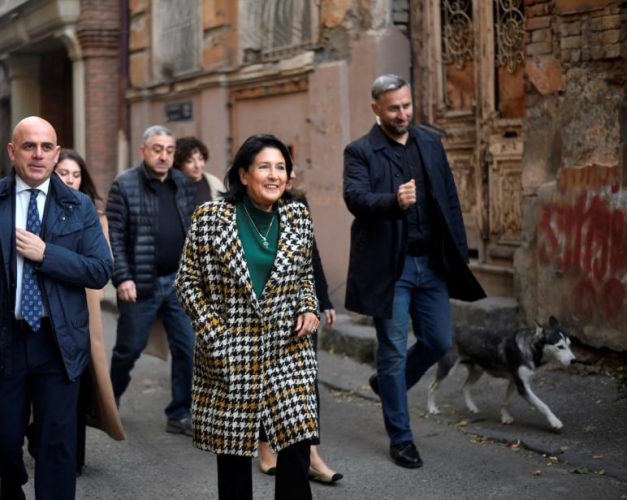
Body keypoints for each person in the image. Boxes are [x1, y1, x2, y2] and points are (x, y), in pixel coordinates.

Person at [0, 116, 113, 499]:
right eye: (29, 146)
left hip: (58, 343)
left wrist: (47, 254)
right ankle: (12, 479)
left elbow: (101, 270)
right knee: (0, 436)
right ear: (12, 151)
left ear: (56, 154)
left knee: (58, 442)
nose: (38, 154)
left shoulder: (78, 205)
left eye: (46, 147)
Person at [343, 74, 486, 469]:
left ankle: (388, 387)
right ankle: (402, 438)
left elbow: (450, 201)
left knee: (439, 341)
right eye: (394, 108)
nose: (403, 113)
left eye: (406, 105)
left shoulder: (430, 142)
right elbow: (354, 198)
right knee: (390, 353)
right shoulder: (360, 151)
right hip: (391, 268)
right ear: (376, 108)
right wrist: (393, 201)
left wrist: (460, 251)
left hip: (431, 264)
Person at [175, 134, 320, 500]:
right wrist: (215, 335)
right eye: (264, 167)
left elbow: (304, 275)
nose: (274, 176)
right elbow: (187, 283)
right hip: (231, 352)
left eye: (281, 168)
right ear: (243, 175)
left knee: (297, 444)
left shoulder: (298, 216)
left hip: (287, 350)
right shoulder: (211, 218)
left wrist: (308, 306)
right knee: (236, 458)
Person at [106, 125, 196, 436]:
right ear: (144, 151)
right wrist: (123, 277)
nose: (164, 156)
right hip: (140, 283)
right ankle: (108, 398)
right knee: (129, 348)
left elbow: (194, 231)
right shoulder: (125, 185)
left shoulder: (183, 183)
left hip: (179, 283)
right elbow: (115, 236)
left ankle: (179, 412)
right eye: (157, 149)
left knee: (188, 348)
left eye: (169, 151)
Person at [257, 168, 342, 484]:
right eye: (273, 166)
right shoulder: (247, 210)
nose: (283, 175)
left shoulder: (298, 207)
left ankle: (312, 455)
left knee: (306, 380)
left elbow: (311, 256)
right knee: (269, 378)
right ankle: (266, 446)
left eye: (285, 168)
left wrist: (325, 300)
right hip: (264, 309)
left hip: (301, 307)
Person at [55, 149, 126, 473]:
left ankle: (75, 457)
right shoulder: (38, 211)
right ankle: (37, 433)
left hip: (84, 308)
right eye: (63, 173)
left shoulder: (93, 216)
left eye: (75, 174)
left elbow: (101, 264)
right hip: (47, 307)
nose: (70, 179)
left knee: (80, 379)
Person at [172, 136, 225, 205]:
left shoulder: (215, 183)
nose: (197, 165)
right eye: (189, 161)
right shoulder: (171, 186)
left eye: (200, 159)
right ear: (179, 163)